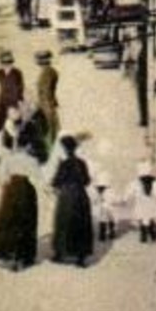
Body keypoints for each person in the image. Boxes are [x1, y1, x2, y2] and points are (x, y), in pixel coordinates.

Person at [0, 131, 40, 270]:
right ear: (28, 145)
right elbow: (38, 176)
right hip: (26, 190)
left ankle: (10, 254)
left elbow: (2, 177)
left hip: (11, 191)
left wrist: (6, 188)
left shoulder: (8, 159)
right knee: (26, 222)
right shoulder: (31, 160)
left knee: (9, 222)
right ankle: (24, 256)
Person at [51, 136, 95, 266]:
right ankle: (81, 258)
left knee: (63, 224)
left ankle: (60, 254)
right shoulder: (82, 163)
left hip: (67, 196)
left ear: (64, 149)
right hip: (81, 195)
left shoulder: (64, 164)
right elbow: (87, 181)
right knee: (81, 225)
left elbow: (56, 182)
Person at [127, 163, 156, 242]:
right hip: (149, 204)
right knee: (150, 219)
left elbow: (130, 192)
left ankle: (144, 236)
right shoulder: (153, 182)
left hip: (142, 204)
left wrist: (129, 199)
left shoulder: (137, 182)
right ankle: (151, 235)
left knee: (144, 220)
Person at [0, 51, 25, 138]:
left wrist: (19, 100)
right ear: (2, 63)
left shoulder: (17, 73)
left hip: (13, 101)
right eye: (4, 63)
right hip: (3, 101)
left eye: (8, 62)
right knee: (0, 122)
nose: (7, 65)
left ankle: (17, 141)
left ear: (11, 62)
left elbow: (20, 88)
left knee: (15, 123)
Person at [35, 50, 60, 145]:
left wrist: (44, 105)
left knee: (50, 129)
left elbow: (46, 91)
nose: (37, 61)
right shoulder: (48, 71)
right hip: (46, 103)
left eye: (38, 59)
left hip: (47, 104)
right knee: (51, 128)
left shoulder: (47, 72)